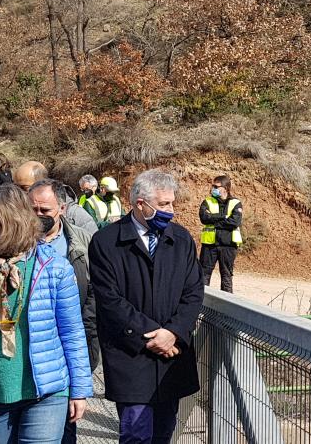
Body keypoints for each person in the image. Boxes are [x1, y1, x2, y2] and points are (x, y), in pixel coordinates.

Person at [0, 185, 92, 443]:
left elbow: (72, 332)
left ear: (8, 222)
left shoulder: (54, 268)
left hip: (45, 392)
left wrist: (80, 390)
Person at [89, 169, 203, 444]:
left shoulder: (181, 239)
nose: (171, 210)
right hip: (131, 355)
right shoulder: (106, 242)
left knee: (164, 431)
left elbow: (193, 292)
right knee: (135, 434)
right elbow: (109, 300)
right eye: (164, 204)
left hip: (171, 355)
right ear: (141, 204)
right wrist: (152, 335)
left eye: (172, 203)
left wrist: (173, 332)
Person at [28, 179, 100, 444]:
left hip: (74, 343)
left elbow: (97, 293)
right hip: (34, 349)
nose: (38, 216)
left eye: (44, 211)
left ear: (61, 208)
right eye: (32, 209)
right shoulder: (15, 242)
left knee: (67, 425)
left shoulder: (84, 242)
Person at [14, 161, 98, 236]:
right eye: (16, 187)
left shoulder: (76, 216)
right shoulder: (16, 212)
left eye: (24, 188)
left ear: (42, 184)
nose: (19, 193)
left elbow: (94, 247)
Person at [198, 175, 243, 292]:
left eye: (216, 186)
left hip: (228, 246)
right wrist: (223, 217)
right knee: (203, 276)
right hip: (209, 245)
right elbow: (204, 218)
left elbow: (234, 222)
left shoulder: (236, 203)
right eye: (213, 186)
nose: (213, 188)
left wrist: (214, 220)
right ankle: (200, 306)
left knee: (226, 276)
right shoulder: (207, 202)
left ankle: (226, 308)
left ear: (226, 188)